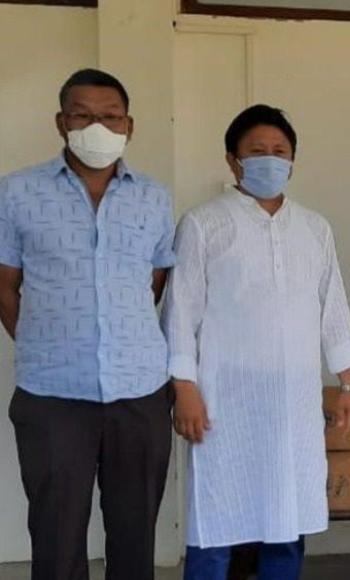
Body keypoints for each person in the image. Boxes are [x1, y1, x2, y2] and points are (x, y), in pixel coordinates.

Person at [162, 104, 350, 580]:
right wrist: (184, 387)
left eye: (280, 151)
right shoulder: (204, 223)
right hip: (224, 400)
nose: (269, 160)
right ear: (232, 160)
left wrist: (349, 385)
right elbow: (181, 311)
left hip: (293, 403)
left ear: (293, 160)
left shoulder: (314, 228)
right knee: (216, 520)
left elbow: (333, 308)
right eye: (257, 151)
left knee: (286, 520)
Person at [0, 68, 176, 580]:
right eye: (83, 116)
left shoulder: (154, 197)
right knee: (56, 540)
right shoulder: (16, 192)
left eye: (111, 116)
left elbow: (155, 282)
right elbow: (4, 285)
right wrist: (45, 340)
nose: (97, 127)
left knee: (135, 537)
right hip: (52, 393)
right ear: (61, 122)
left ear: (129, 126)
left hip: (140, 392)